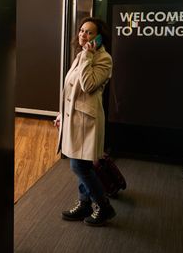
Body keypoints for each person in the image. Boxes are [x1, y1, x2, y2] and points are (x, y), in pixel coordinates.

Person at [54, 17, 115, 227]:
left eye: (89, 32)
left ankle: (103, 206)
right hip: (74, 118)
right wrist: (62, 114)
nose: (83, 35)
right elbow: (71, 89)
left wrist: (89, 55)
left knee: (79, 166)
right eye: (81, 31)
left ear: (99, 36)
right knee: (81, 164)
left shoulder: (103, 59)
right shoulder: (81, 55)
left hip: (86, 123)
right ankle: (85, 204)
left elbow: (88, 85)